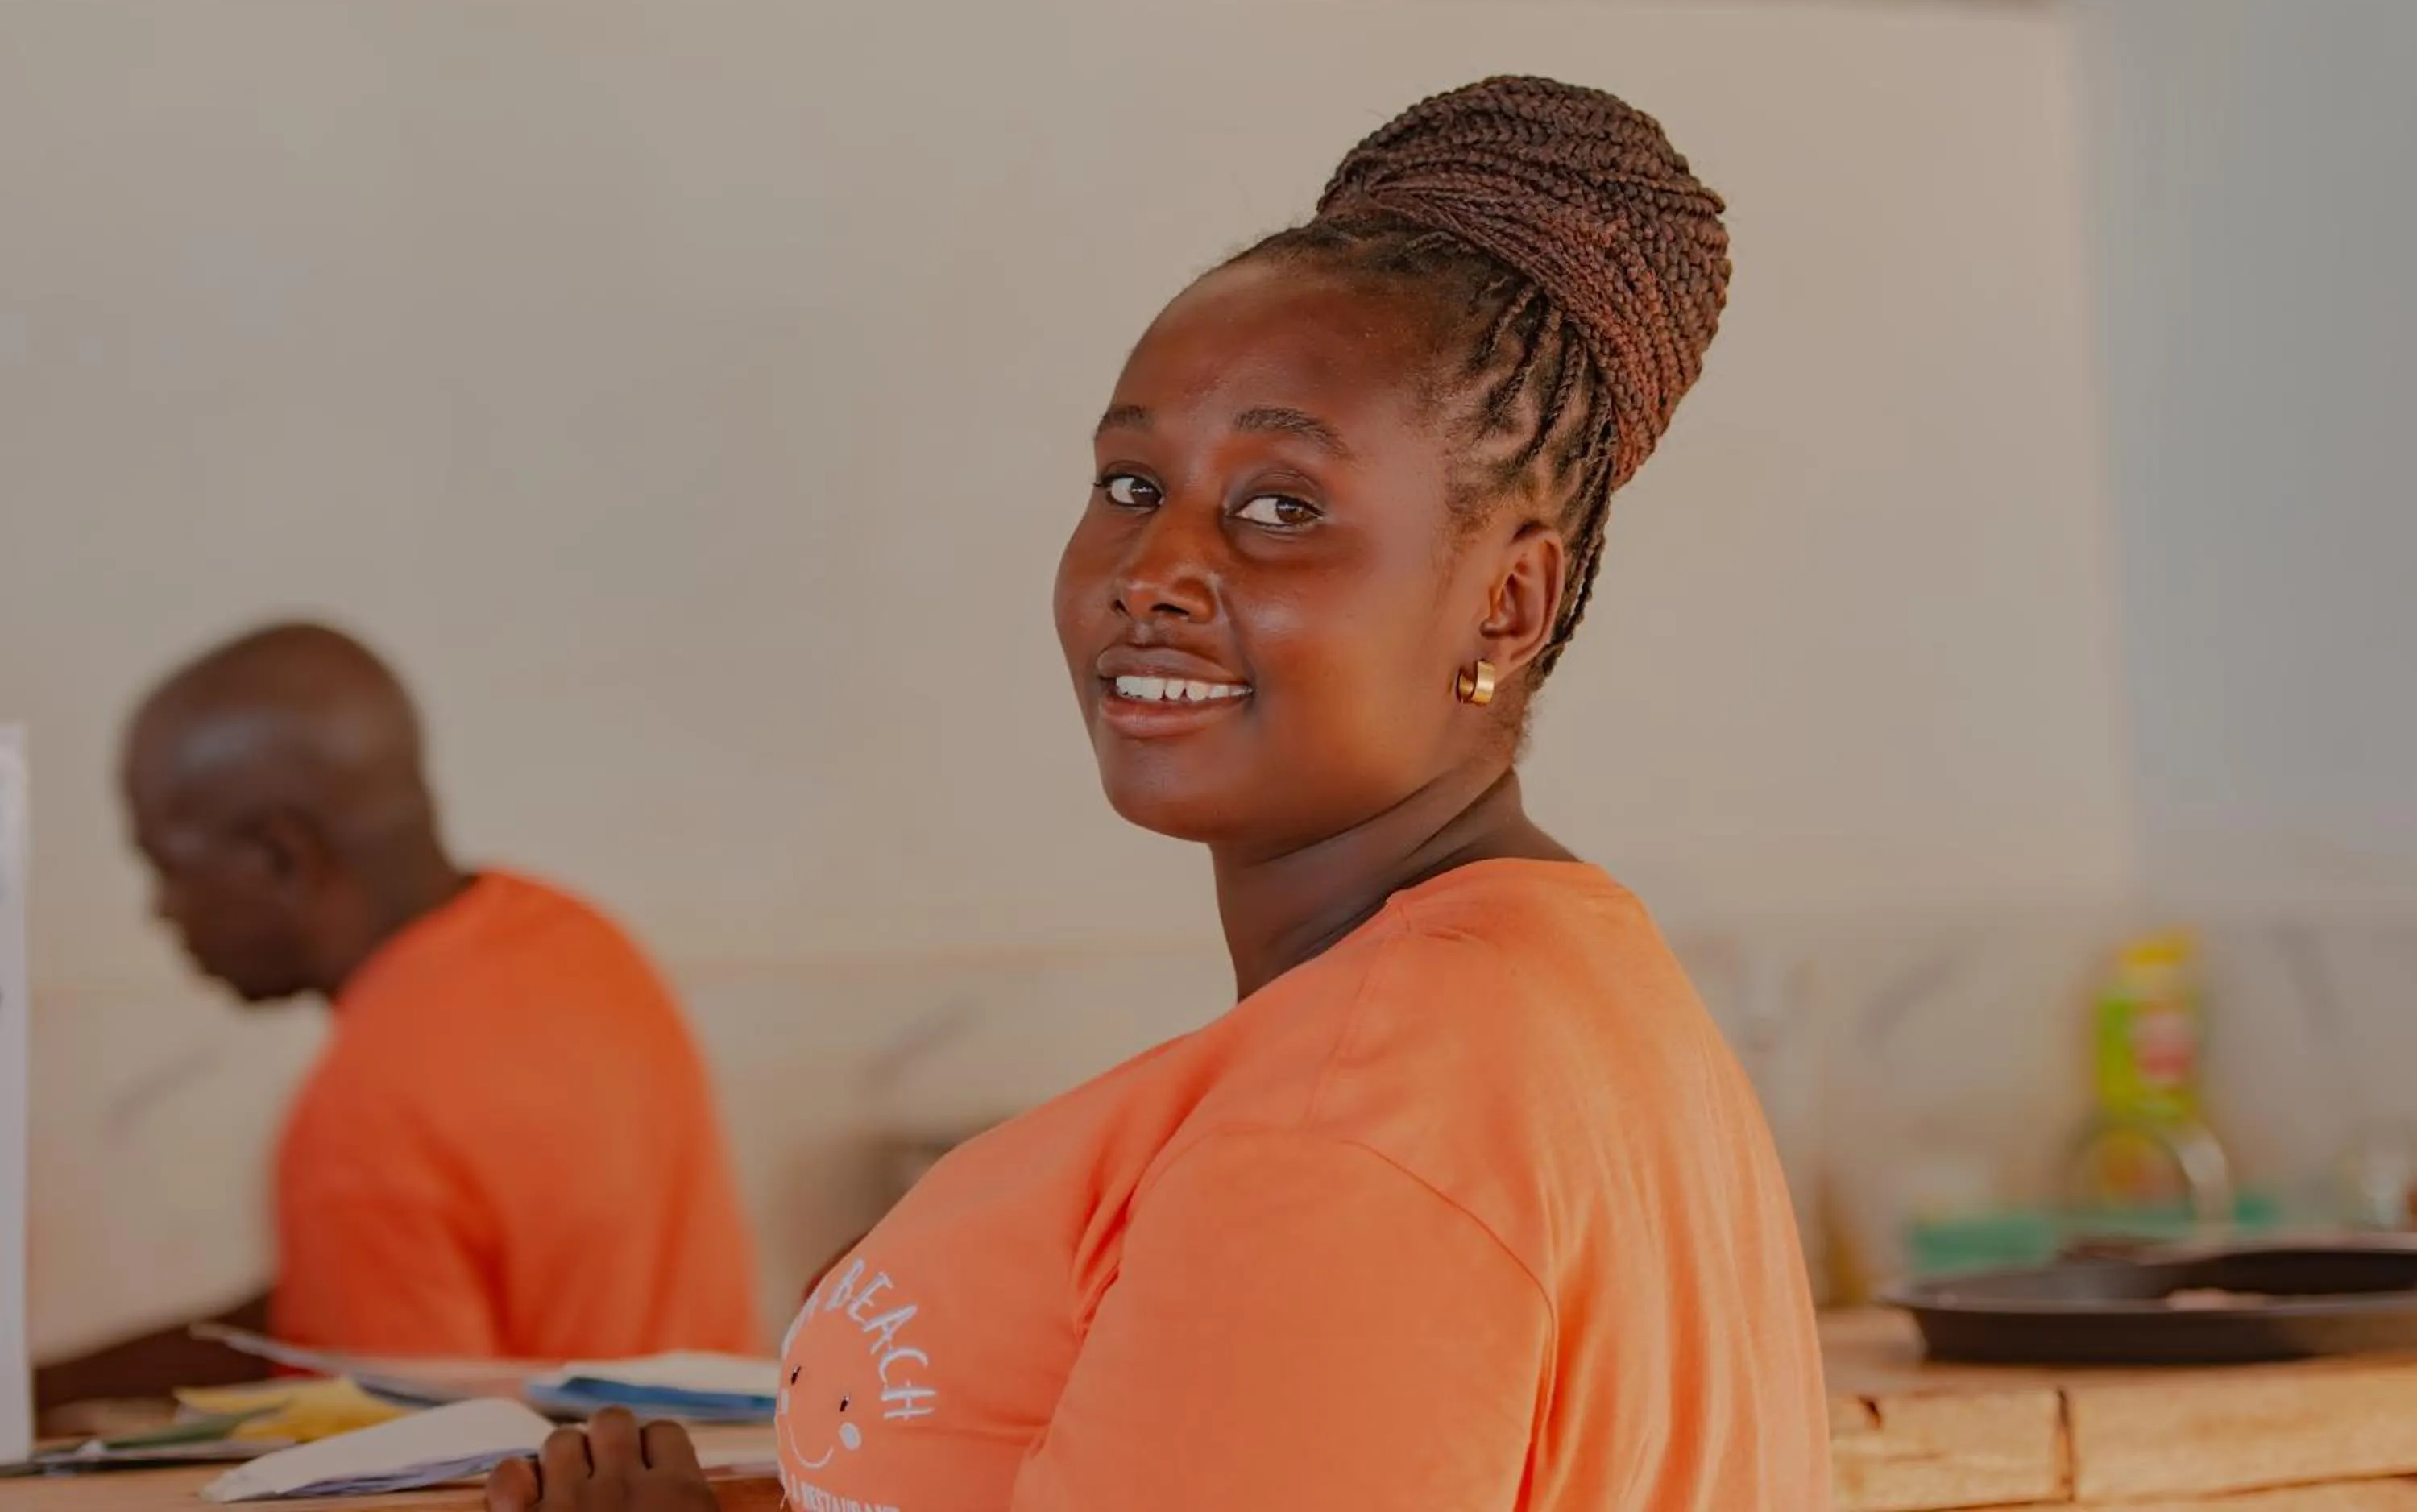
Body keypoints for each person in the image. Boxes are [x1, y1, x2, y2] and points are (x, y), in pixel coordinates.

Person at [491, 76, 1828, 1512]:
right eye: (1131, 485)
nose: (1152, 573)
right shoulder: (1558, 982)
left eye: (1279, 509)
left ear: (1507, 604)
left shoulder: (1357, 1112)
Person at [66, 622, 758, 1389]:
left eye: (167, 865)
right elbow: (393, 1275)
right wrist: (43, 1392)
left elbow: (412, 1478)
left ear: (281, 855)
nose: (160, 910)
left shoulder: (367, 1113)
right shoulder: (576, 941)